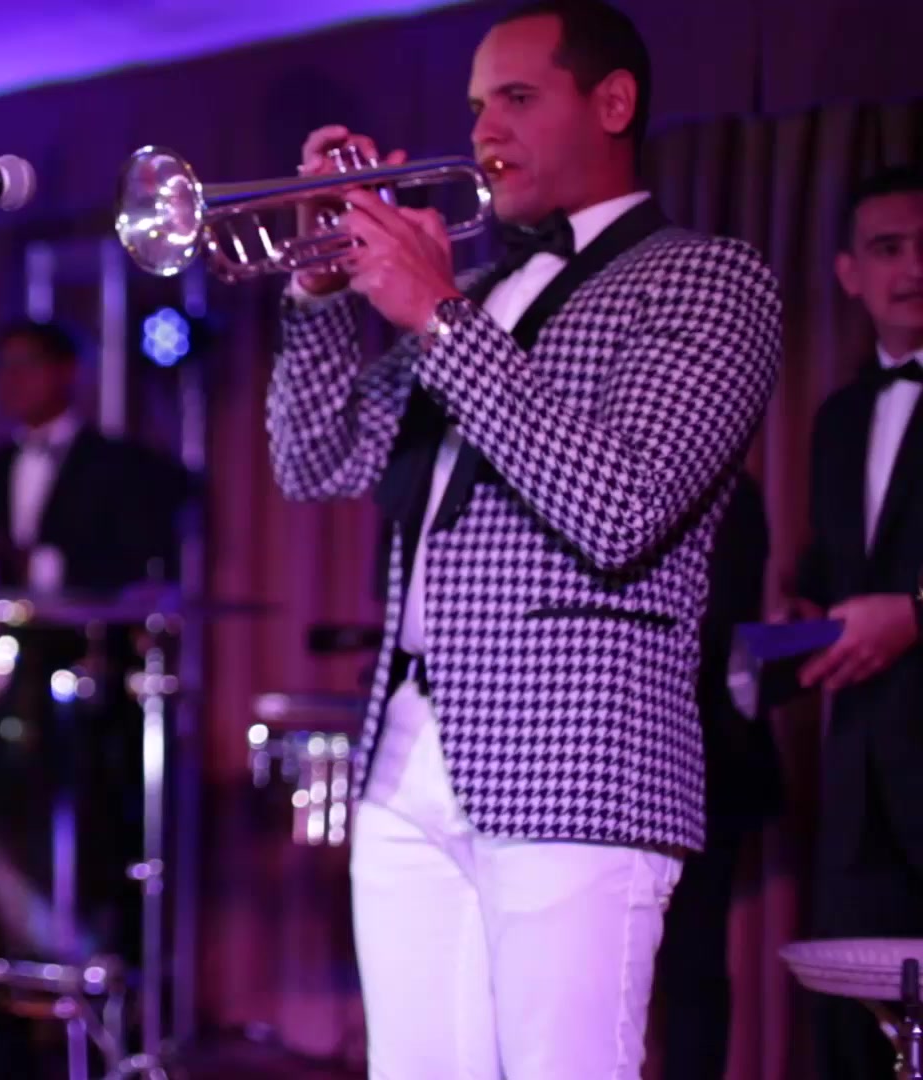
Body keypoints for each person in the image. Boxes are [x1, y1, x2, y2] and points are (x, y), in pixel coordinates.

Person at [264, 1, 783, 1075]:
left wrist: (437, 316)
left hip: (579, 756)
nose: (483, 131)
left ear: (613, 102)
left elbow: (623, 505)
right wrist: (318, 292)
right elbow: (314, 462)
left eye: (515, 97)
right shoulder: (480, 290)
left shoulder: (708, 277)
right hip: (407, 752)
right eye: (474, 106)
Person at [779, 164, 923, 1080]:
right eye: (888, 248)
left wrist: (915, 615)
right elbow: (828, 583)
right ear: (849, 273)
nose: (914, 268)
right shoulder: (836, 418)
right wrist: (787, 628)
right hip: (858, 780)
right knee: (852, 1042)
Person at [653, 469, 781, 1078]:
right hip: (634, 756)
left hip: (704, 759)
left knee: (693, 962)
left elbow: (717, 622)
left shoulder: (727, 491)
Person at [0, 319, 190, 594]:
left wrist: (38, 566)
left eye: (27, 364)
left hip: (91, 619)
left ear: (66, 370)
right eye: (3, 366)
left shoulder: (120, 464)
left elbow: (140, 562)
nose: (12, 378)